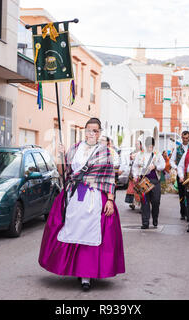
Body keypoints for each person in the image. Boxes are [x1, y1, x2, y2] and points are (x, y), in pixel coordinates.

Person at [38, 117, 125, 291]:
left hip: (94, 197)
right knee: (69, 229)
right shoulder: (75, 149)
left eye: (95, 130)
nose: (91, 133)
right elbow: (64, 172)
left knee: (90, 234)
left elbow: (109, 177)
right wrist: (61, 155)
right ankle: (74, 269)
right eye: (88, 130)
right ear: (84, 131)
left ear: (99, 133)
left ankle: (87, 276)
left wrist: (109, 199)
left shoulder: (105, 152)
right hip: (74, 195)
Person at [133, 136, 166, 229]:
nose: (149, 148)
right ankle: (145, 222)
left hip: (155, 181)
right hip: (143, 181)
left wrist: (155, 166)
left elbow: (163, 165)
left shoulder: (157, 154)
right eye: (148, 146)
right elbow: (135, 166)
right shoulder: (140, 154)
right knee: (145, 202)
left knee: (156, 202)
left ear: (153, 146)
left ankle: (155, 218)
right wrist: (135, 176)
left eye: (151, 146)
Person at [170, 131, 189, 221]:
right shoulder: (177, 148)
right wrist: (176, 168)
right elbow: (171, 160)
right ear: (182, 138)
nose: (185, 140)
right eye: (184, 138)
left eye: (187, 138)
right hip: (181, 174)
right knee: (182, 194)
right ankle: (183, 213)